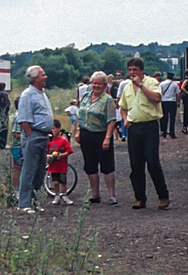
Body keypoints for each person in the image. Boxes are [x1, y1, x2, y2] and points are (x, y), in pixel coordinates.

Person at [119, 57, 169, 210]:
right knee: (136, 164)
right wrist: (125, 119)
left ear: (141, 71)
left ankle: (163, 196)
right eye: (130, 70)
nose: (132, 73)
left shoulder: (152, 83)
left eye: (135, 70)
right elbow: (122, 106)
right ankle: (140, 198)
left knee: (152, 162)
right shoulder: (127, 87)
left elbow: (156, 98)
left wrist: (140, 85)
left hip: (150, 127)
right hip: (134, 128)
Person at [76, 70, 118, 205]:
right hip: (86, 134)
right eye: (94, 83)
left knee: (107, 165)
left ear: (105, 85)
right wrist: (77, 131)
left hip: (101, 134)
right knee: (90, 165)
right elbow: (80, 115)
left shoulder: (108, 100)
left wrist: (108, 138)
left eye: (99, 84)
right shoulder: (86, 96)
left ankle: (112, 195)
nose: (96, 86)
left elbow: (111, 120)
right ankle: (95, 194)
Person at [16, 65, 54, 212]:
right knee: (29, 169)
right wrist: (30, 134)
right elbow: (24, 118)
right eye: (43, 75)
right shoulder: (27, 95)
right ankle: (24, 204)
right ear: (35, 78)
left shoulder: (42, 93)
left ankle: (34, 201)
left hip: (43, 136)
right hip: (34, 135)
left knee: (40, 170)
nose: (46, 77)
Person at [47, 120, 74, 205]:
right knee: (55, 182)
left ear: (59, 129)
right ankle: (57, 196)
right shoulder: (49, 142)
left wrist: (62, 155)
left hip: (62, 166)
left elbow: (69, 151)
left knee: (63, 182)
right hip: (53, 166)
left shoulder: (63, 140)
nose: (52, 130)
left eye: (54, 128)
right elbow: (46, 152)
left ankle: (65, 196)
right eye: (51, 129)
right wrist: (48, 156)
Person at [160, 72, 180, 138]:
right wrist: (178, 102)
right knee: (172, 118)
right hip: (172, 102)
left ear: (166, 76)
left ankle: (164, 133)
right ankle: (172, 133)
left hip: (164, 102)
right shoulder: (174, 84)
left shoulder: (162, 84)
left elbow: (159, 93)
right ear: (172, 77)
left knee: (164, 118)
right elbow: (178, 94)